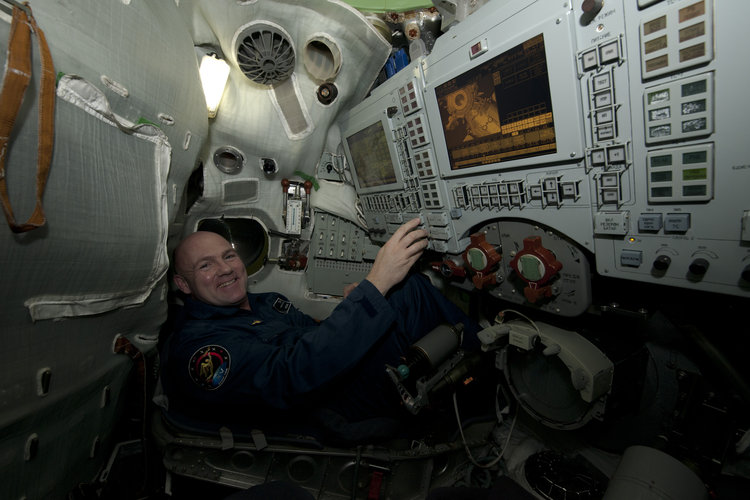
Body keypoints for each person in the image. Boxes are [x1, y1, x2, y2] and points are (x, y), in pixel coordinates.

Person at [160, 218, 479, 441]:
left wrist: (356, 304)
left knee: (402, 293)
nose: (226, 268)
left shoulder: (267, 302)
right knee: (405, 293)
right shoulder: (202, 349)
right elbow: (290, 376)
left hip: (337, 375)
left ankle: (474, 360)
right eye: (206, 265)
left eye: (229, 256)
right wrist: (376, 284)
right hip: (333, 405)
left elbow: (317, 334)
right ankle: (482, 380)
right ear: (183, 284)